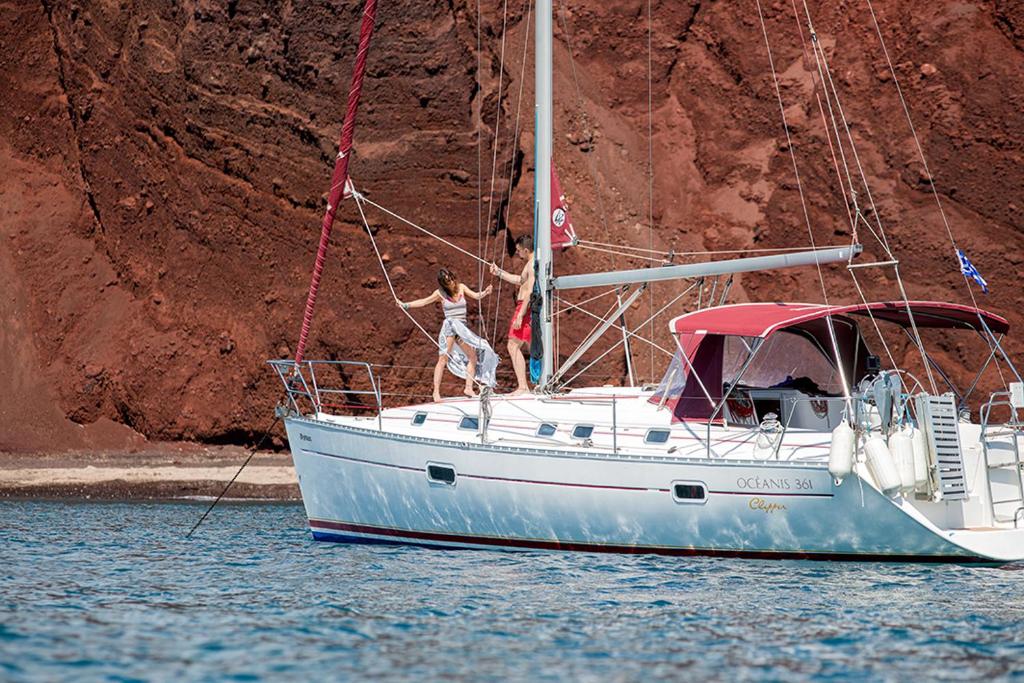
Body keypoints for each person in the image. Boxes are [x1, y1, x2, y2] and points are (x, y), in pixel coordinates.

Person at [397, 268, 498, 402]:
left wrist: (485, 292)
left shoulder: (461, 287)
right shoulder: (440, 293)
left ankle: (468, 388)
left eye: (450, 278)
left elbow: (476, 295)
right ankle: (436, 392)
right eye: (446, 281)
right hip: (450, 328)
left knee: (472, 356)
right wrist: (405, 305)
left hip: (462, 330)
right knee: (443, 359)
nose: (449, 282)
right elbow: (424, 301)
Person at [490, 235, 535, 395]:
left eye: (518, 251)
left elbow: (529, 291)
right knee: (530, 346)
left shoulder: (532, 265)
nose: (517, 254)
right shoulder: (531, 264)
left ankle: (523, 387)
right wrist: (499, 273)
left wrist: (521, 315)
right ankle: (534, 384)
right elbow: (520, 280)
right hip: (526, 307)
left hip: (524, 307)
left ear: (526, 250)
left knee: (513, 345)